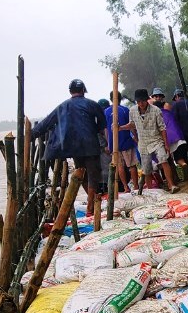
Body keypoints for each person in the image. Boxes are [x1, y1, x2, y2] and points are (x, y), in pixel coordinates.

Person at [34, 79, 107, 219]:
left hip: (73, 147)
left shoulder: (62, 106)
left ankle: (91, 203)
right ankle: (91, 207)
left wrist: (30, 135)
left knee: (82, 173)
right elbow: (102, 125)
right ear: (83, 90)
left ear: (70, 92)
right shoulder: (92, 104)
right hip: (90, 144)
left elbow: (45, 123)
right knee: (93, 175)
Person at [123, 88, 180, 193]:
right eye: (139, 102)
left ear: (147, 100)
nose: (141, 104)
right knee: (146, 168)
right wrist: (121, 128)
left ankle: (171, 184)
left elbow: (162, 128)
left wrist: (166, 144)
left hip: (156, 139)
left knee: (163, 160)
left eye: (143, 101)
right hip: (143, 142)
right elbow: (132, 125)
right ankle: (150, 191)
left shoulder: (155, 110)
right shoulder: (132, 111)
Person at [152, 87, 186, 186]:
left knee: (168, 158)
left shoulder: (161, 107)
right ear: (154, 97)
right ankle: (175, 177)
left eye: (159, 96)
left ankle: (174, 179)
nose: (157, 98)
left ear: (162, 97)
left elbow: (167, 118)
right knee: (168, 158)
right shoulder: (161, 106)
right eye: (156, 96)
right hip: (167, 133)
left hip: (166, 133)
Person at [105, 92, 137, 192]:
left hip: (114, 144)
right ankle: (136, 186)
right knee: (131, 165)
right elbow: (131, 125)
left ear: (111, 99)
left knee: (119, 166)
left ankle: (125, 187)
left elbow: (106, 129)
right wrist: (136, 136)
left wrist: (108, 143)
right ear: (120, 99)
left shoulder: (106, 112)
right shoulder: (125, 110)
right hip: (126, 142)